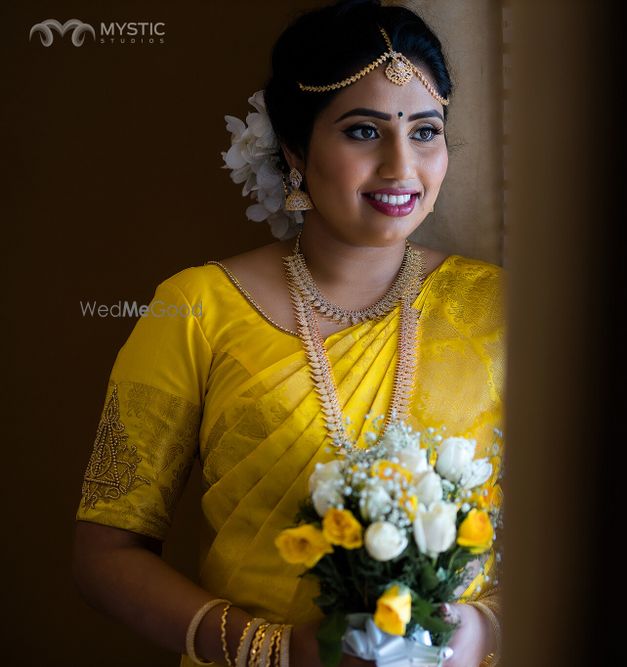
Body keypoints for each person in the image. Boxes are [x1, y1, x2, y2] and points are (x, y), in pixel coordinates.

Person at [70, 2, 503, 666]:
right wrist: (273, 648)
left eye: (425, 130)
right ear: (295, 150)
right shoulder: (195, 308)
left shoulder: (499, 308)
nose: (400, 166)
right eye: (363, 131)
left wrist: (480, 631)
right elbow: (105, 553)